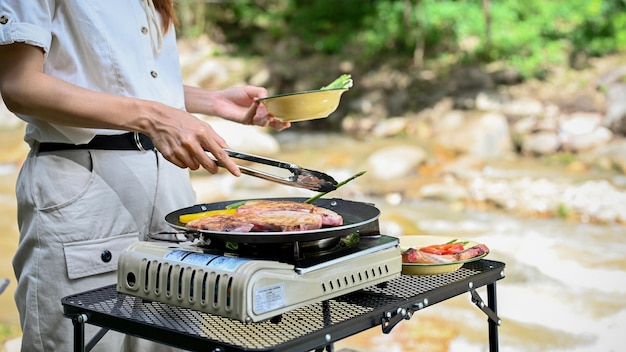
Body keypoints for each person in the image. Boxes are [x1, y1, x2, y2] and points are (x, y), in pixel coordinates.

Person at [0, 0, 290, 351]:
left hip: (168, 185)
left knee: (175, 341)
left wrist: (214, 101)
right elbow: (20, 85)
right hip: (82, 183)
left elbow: (117, 77)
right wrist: (153, 117)